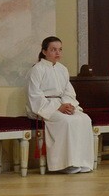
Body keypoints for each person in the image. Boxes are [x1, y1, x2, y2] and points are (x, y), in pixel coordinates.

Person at [26, 36, 95, 174]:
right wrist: (57, 108)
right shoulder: (37, 70)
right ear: (44, 51)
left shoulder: (62, 69)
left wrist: (69, 105)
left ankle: (81, 161)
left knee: (84, 119)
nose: (57, 53)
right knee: (66, 121)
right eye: (53, 50)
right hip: (44, 108)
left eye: (60, 49)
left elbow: (68, 91)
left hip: (62, 104)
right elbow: (34, 95)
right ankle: (64, 164)